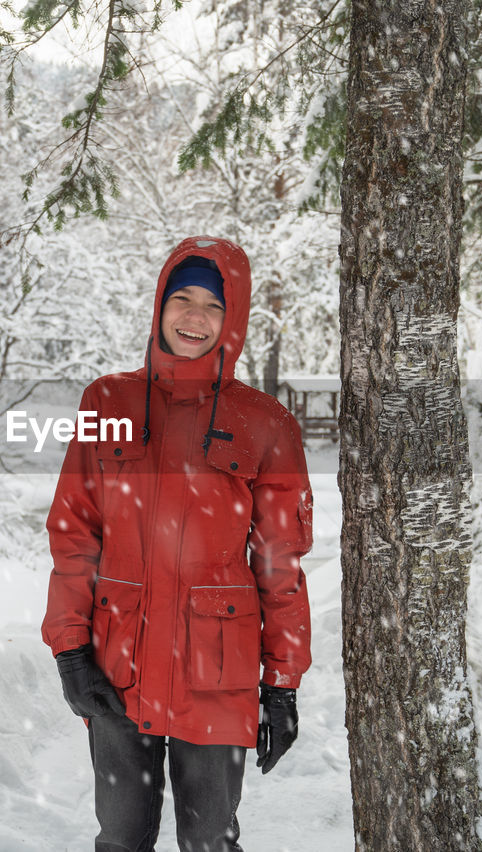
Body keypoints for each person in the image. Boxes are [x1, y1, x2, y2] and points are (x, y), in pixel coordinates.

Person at [42, 236, 313, 852]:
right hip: (117, 662)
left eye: (213, 306)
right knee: (120, 838)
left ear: (233, 319)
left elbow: (280, 562)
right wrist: (69, 650)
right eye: (182, 298)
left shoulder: (266, 423)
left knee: (209, 840)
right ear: (160, 305)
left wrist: (282, 683)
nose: (195, 317)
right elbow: (73, 534)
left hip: (217, 669)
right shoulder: (107, 401)